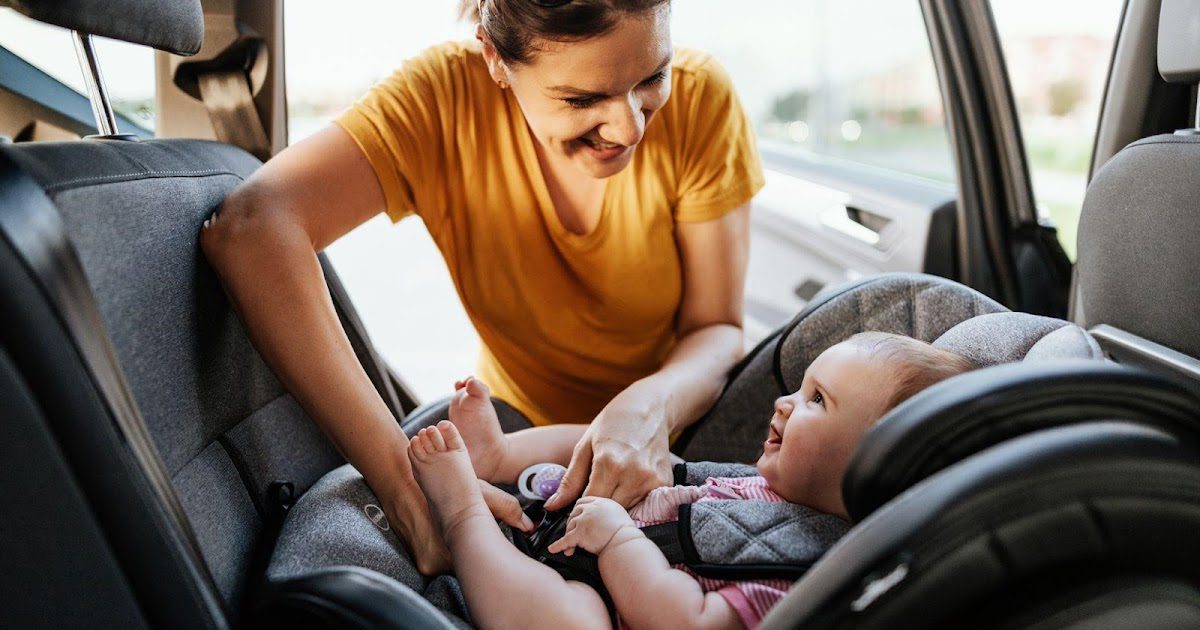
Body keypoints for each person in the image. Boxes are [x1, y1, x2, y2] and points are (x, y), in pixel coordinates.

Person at [200, 0, 762, 574]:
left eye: (652, 78)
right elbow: (250, 229)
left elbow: (715, 329)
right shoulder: (442, 101)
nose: (630, 127)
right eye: (580, 100)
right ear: (494, 58)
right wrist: (408, 494)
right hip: (518, 434)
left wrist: (648, 407)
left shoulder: (702, 98)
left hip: (676, 433)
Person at [408, 332, 978, 629]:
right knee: (624, 444)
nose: (783, 402)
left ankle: (461, 517)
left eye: (816, 401)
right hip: (589, 525)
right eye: (800, 387)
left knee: (572, 623)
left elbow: (686, 621)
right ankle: (498, 456)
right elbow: (682, 491)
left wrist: (619, 540)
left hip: (605, 600)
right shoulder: (770, 489)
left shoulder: (802, 576)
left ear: (873, 465)